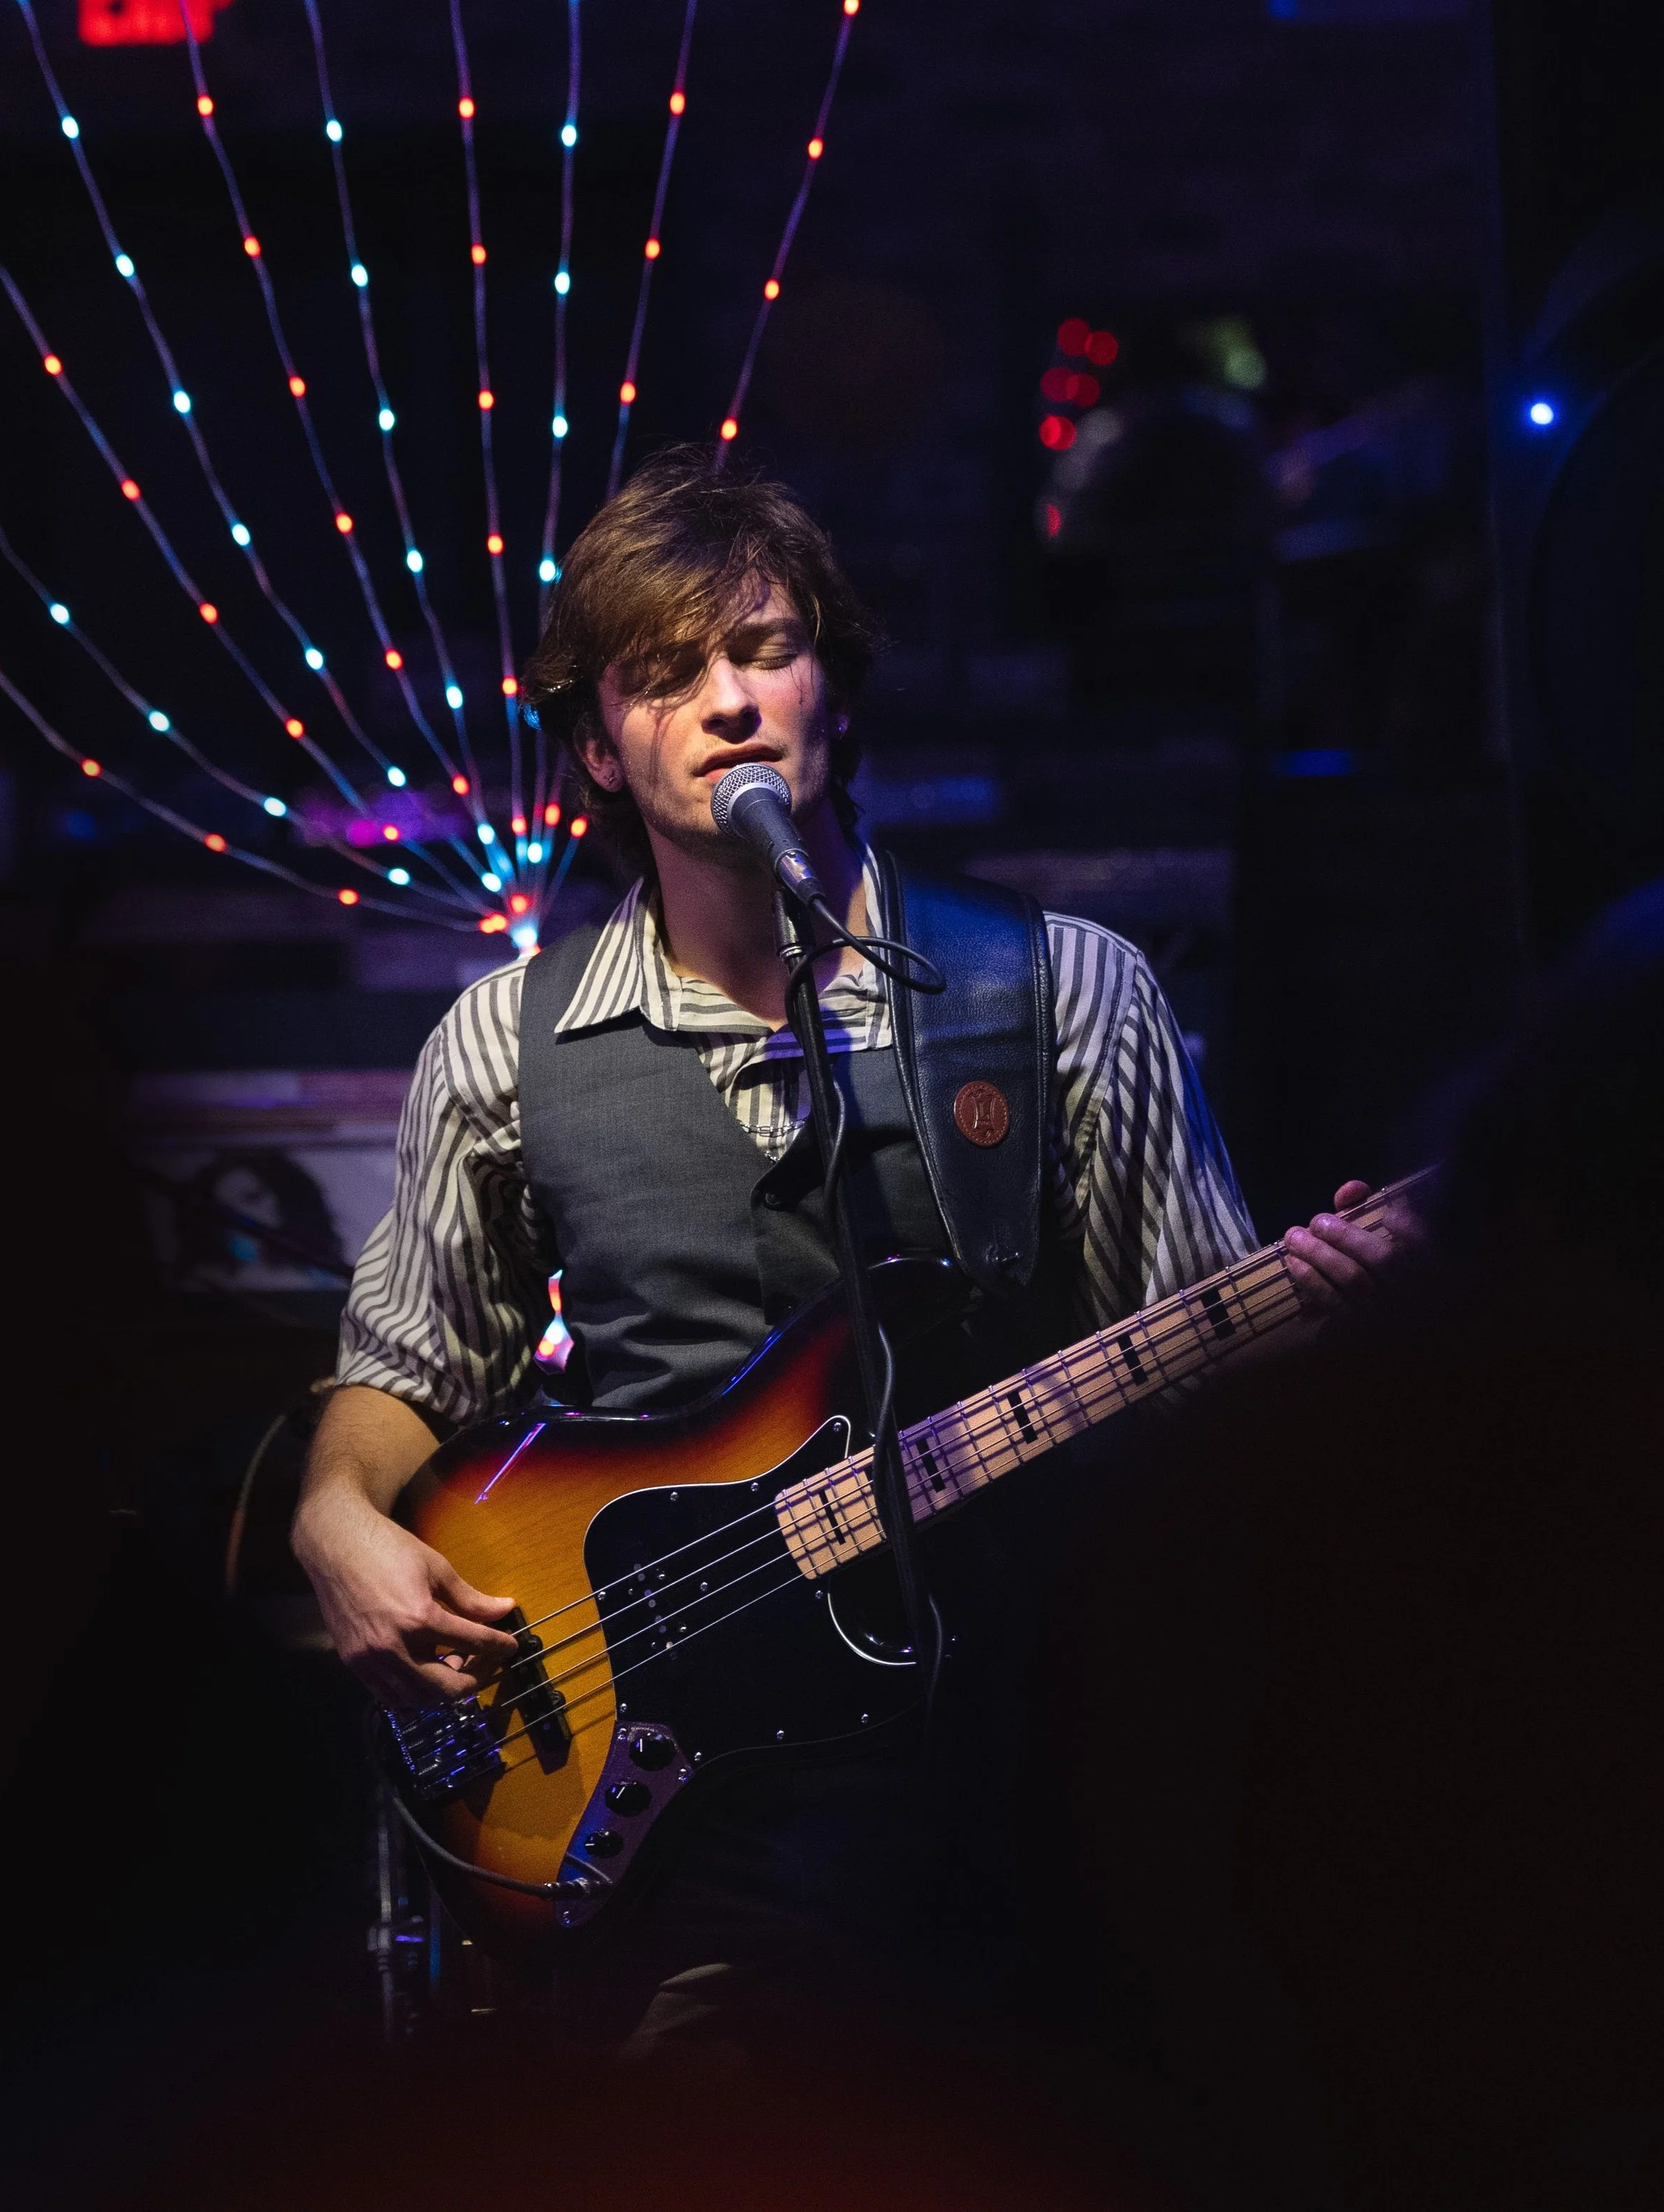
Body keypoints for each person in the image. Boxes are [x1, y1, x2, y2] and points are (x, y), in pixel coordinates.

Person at [290, 446, 1402, 2048]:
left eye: (763, 649)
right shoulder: (500, 1046)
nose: (728, 702)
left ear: (832, 686)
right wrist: (336, 1517)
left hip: (1034, 1767)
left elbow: (1201, 1402)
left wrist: (1311, 1337)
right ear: (600, 747)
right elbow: (406, 1364)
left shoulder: (1062, 993)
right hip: (680, 1810)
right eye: (666, 675)